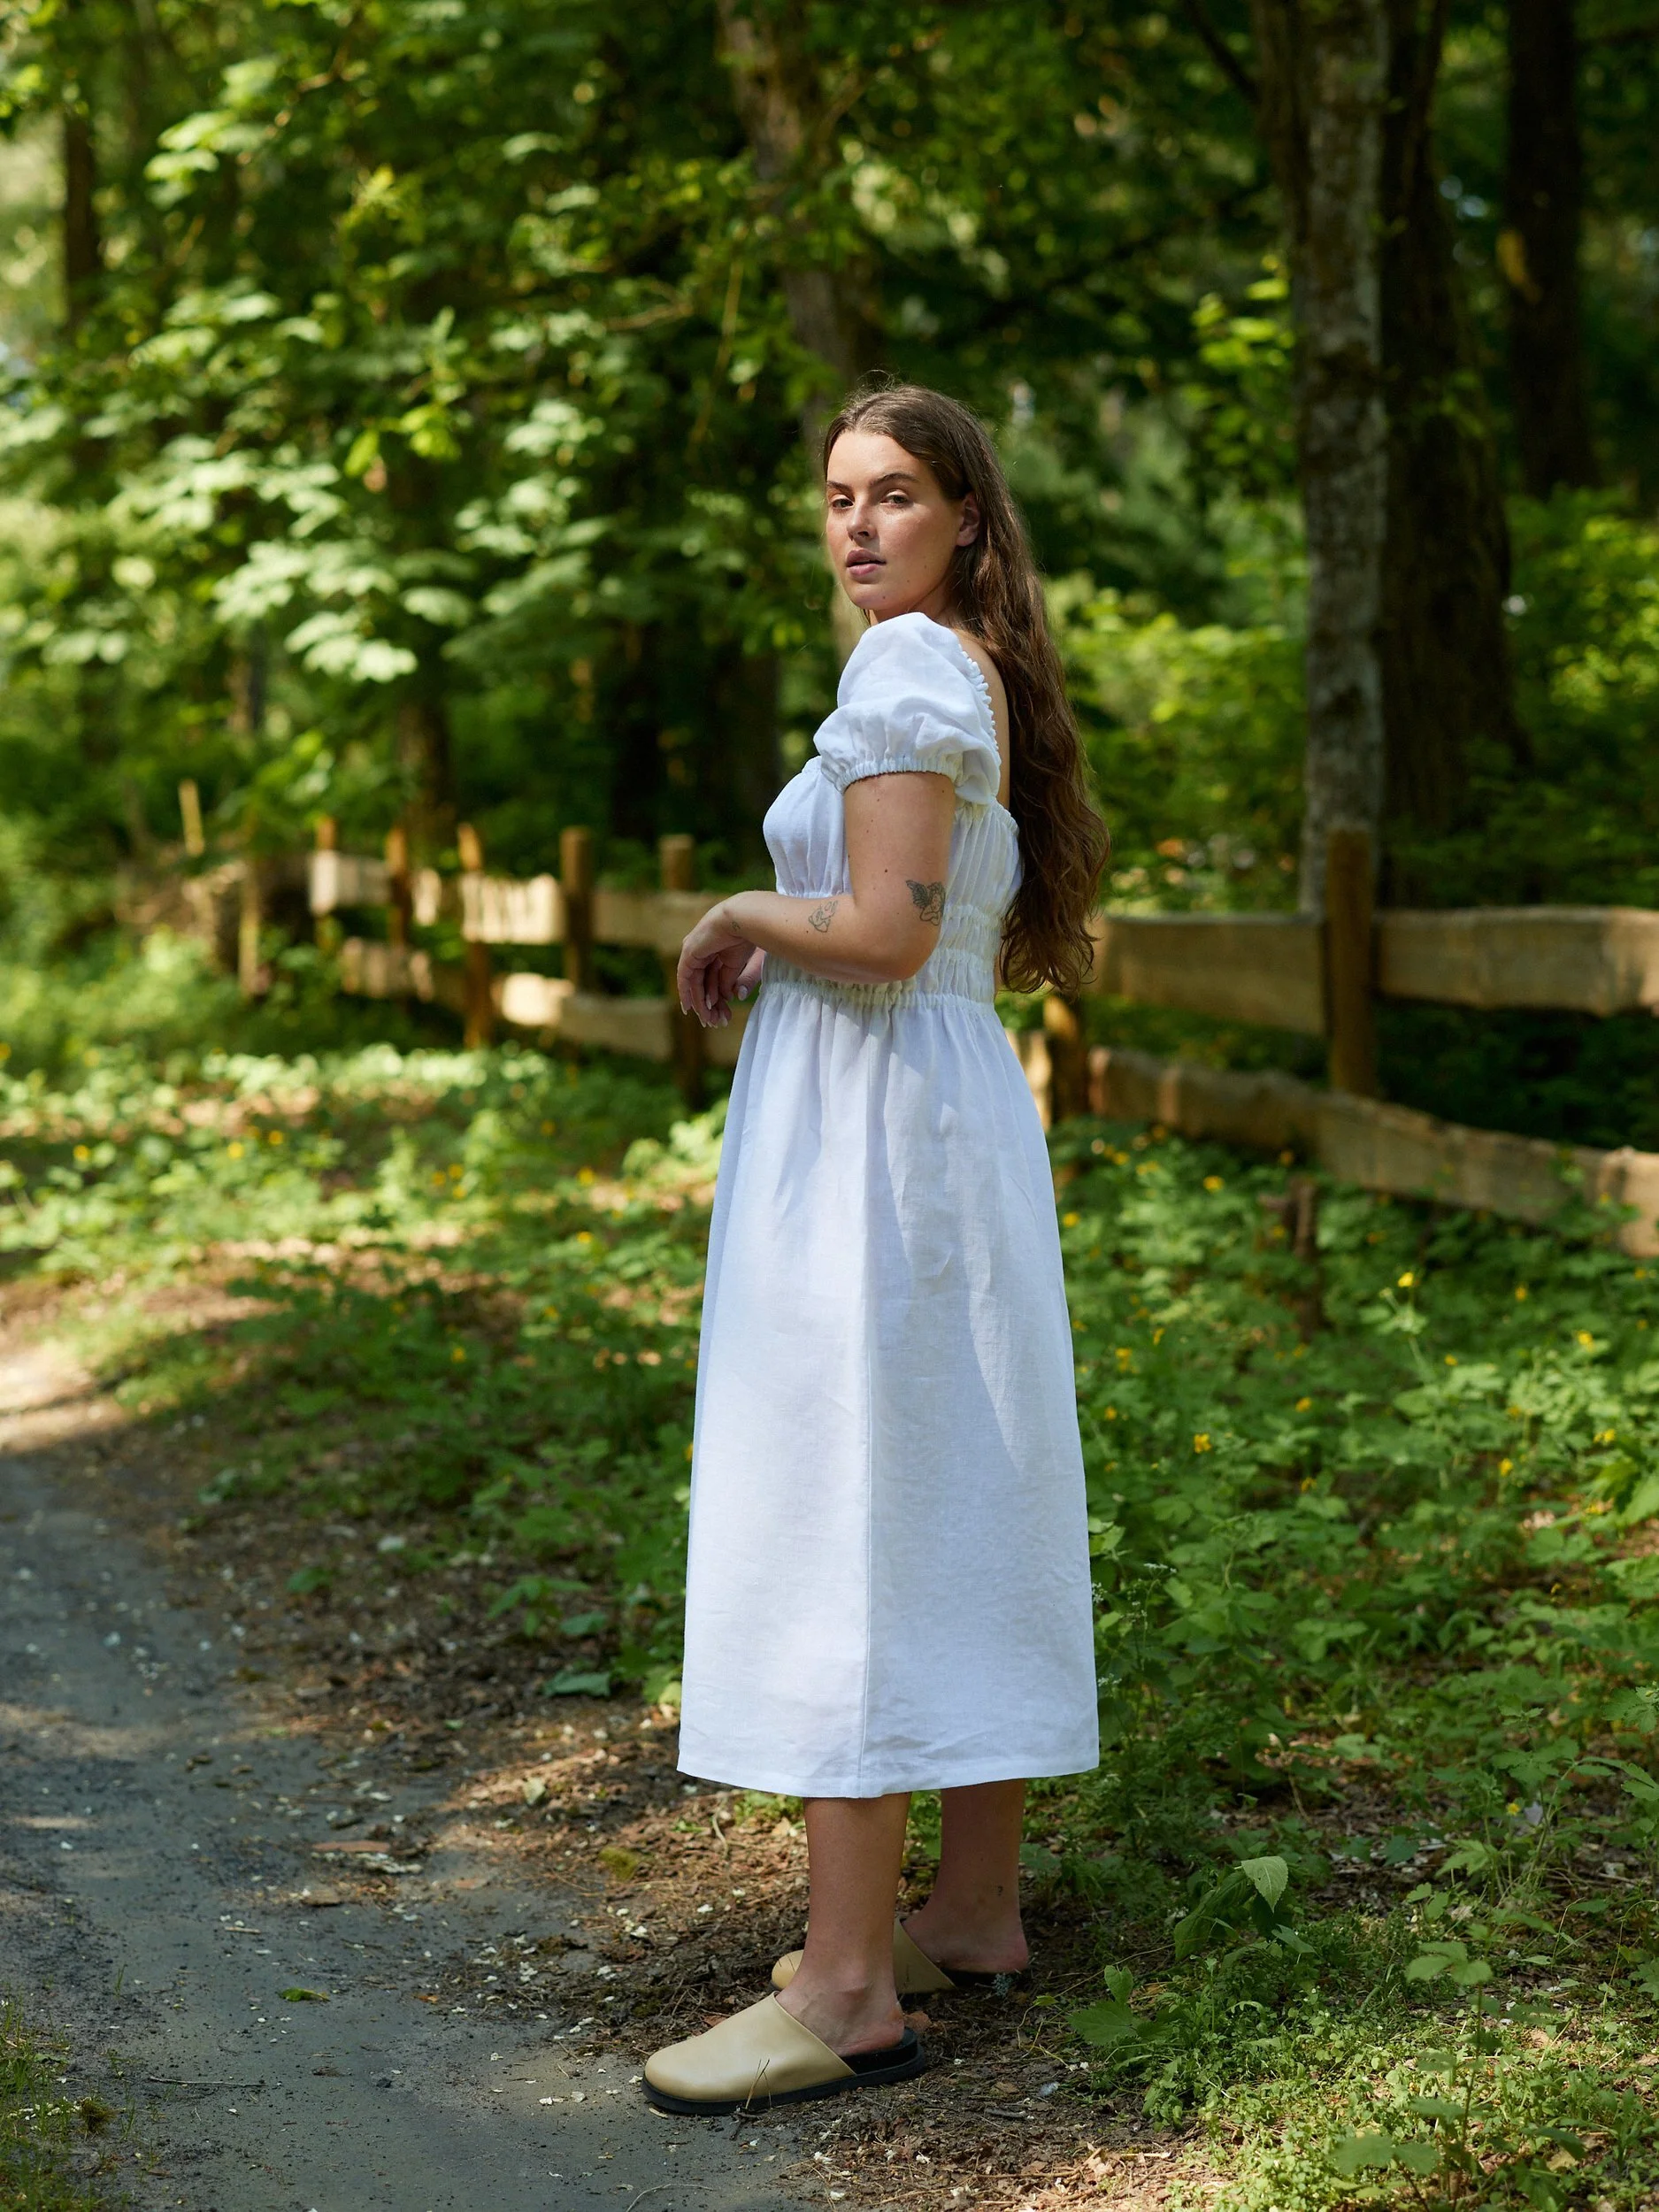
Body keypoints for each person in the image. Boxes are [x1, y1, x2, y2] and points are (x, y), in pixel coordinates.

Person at [644, 383, 1108, 2117]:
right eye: (836, 495)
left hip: (872, 1139)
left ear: (964, 521)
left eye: (895, 494)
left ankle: (845, 1985)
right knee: (945, 1487)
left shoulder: (905, 669)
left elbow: (886, 932)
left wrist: (740, 914)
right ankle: (969, 1907)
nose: (855, 525)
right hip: (934, 1121)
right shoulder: (951, 666)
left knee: (852, 1505)